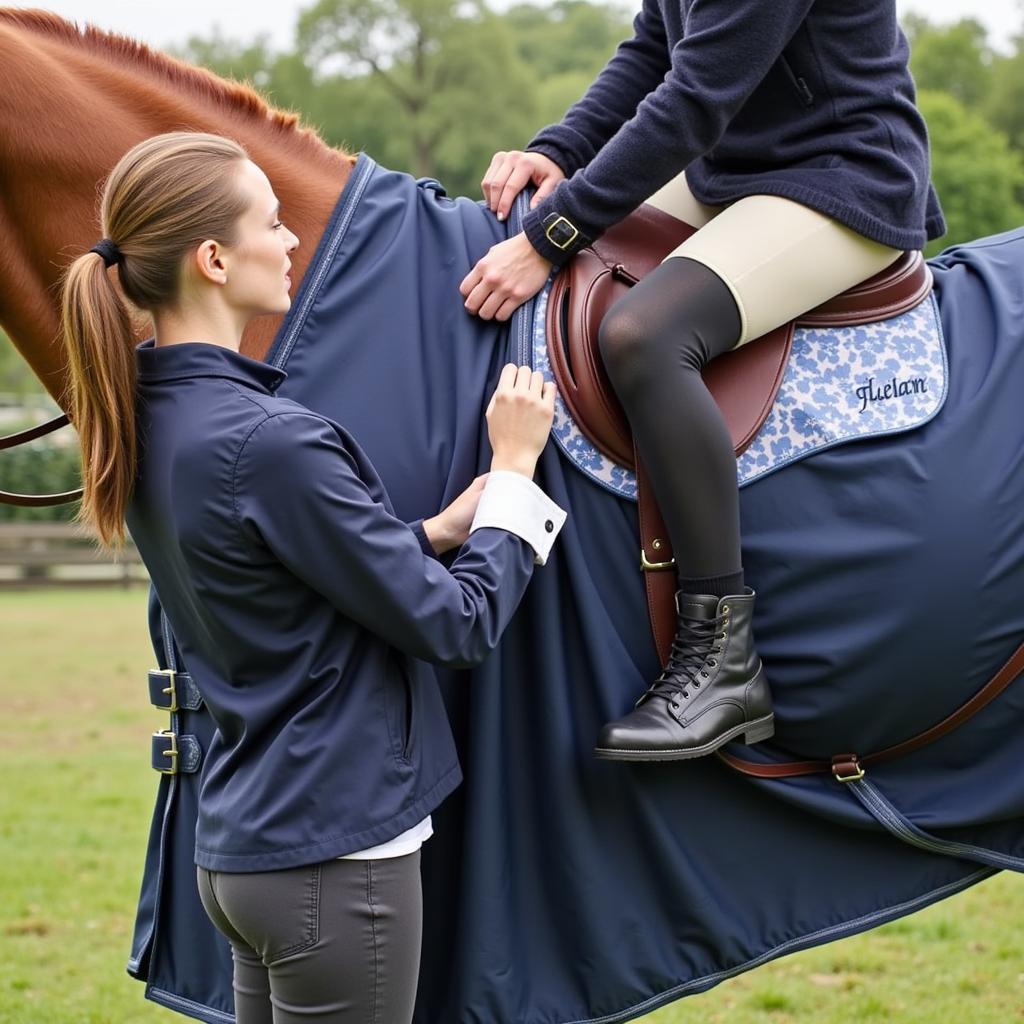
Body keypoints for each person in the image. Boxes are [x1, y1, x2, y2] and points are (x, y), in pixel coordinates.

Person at [60, 131, 566, 1024]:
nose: (293, 238)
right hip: (335, 869)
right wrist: (515, 476)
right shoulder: (273, 440)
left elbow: (280, 581)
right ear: (214, 259)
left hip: (246, 857)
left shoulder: (146, 425)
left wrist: (433, 530)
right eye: (271, 222)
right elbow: (458, 626)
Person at [459, 0, 945, 762]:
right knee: (580, 269)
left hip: (841, 174)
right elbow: (655, 44)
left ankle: (724, 658)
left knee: (646, 335)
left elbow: (696, 98)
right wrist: (559, 149)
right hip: (734, 169)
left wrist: (553, 233)